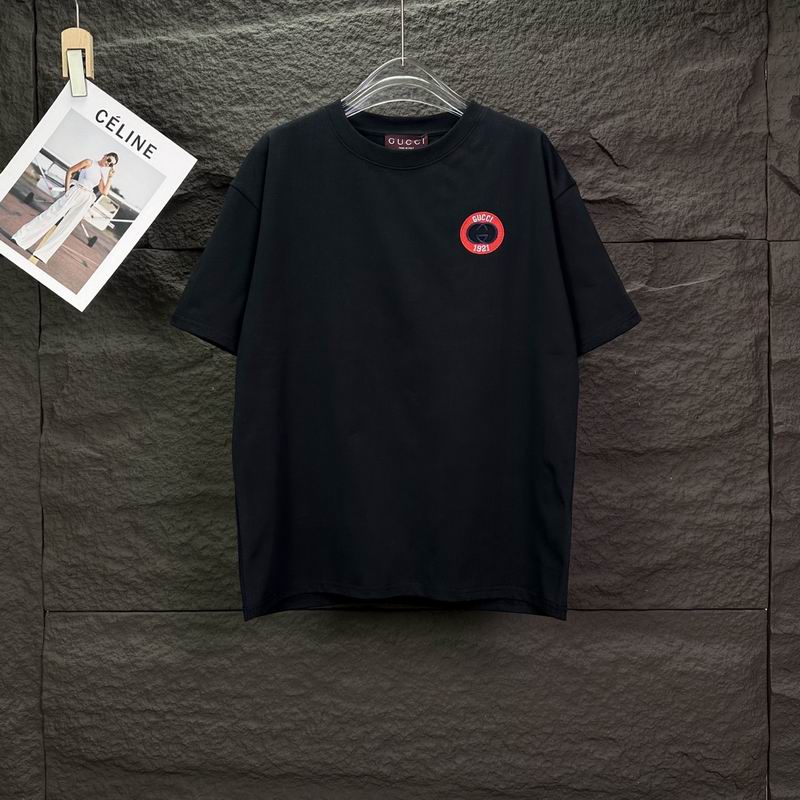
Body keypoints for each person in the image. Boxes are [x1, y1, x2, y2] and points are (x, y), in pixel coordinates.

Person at [12, 152, 118, 264]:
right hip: (76, 190)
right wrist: (67, 191)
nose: (108, 164)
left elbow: (104, 192)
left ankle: (43, 254)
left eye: (111, 164)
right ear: (105, 156)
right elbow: (70, 171)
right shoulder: (89, 162)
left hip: (86, 198)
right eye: (109, 160)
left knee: (67, 226)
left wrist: (110, 177)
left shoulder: (102, 174)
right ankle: (21, 238)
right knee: (50, 214)